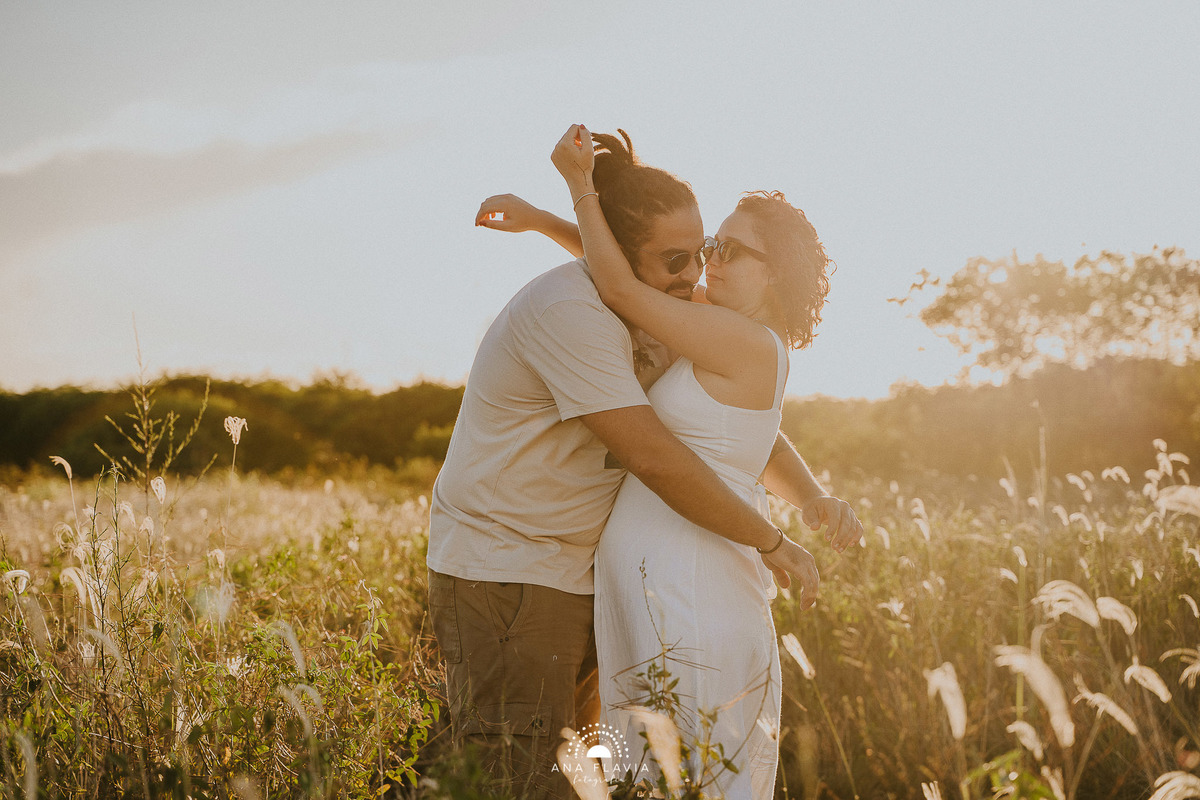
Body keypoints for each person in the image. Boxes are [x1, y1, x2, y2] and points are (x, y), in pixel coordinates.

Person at [428, 127, 860, 800]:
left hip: (683, 579)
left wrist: (575, 194)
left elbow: (632, 287)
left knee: (681, 763)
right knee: (604, 772)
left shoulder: (729, 333)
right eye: (700, 250)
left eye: (723, 251)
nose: (704, 267)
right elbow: (631, 282)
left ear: (774, 272)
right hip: (563, 572)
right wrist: (551, 219)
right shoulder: (677, 316)